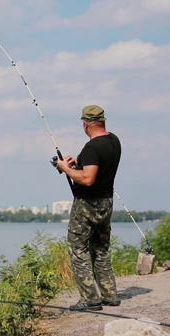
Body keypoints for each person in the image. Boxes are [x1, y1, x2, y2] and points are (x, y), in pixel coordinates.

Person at [55, 104, 122, 311]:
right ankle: (109, 294)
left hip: (87, 205)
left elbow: (88, 178)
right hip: (106, 202)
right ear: (103, 121)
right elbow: (95, 168)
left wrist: (65, 168)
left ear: (85, 124)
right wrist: (77, 163)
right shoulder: (113, 141)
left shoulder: (92, 147)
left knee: (77, 248)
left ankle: (90, 299)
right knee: (101, 248)